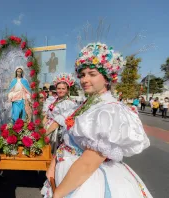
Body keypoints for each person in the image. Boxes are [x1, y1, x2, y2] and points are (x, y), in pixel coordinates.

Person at [42, 42, 152, 197]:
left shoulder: (109, 111)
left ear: (107, 78)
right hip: (66, 172)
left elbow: (88, 163)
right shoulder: (87, 104)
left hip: (86, 181)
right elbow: (66, 141)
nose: (85, 79)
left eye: (92, 74)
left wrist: (58, 194)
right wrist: (53, 165)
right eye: (82, 75)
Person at [42, 73, 77, 154]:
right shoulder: (52, 100)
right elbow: (46, 115)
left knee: (51, 153)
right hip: (47, 128)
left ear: (67, 90)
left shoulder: (69, 103)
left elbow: (58, 122)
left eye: (63, 88)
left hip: (56, 132)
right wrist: (42, 129)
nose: (60, 91)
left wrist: (45, 134)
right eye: (58, 88)